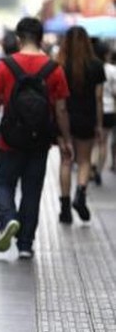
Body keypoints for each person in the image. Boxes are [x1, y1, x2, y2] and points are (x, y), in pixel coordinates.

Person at [0, 17, 71, 259]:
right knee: (32, 190)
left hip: (10, 138)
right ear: (41, 38)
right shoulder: (54, 69)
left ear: (18, 38)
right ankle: (25, 244)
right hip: (40, 140)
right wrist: (65, 139)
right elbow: (61, 109)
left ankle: (8, 219)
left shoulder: (5, 65)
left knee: (5, 183)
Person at [56, 26, 105, 224]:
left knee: (66, 161)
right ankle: (81, 194)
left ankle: (65, 209)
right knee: (84, 160)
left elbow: (58, 101)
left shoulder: (59, 65)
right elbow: (99, 97)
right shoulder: (96, 66)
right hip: (87, 118)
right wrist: (99, 125)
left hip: (65, 119)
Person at [93, 42, 116, 179]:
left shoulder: (92, 67)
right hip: (109, 109)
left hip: (93, 109)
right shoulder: (112, 70)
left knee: (94, 142)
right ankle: (98, 171)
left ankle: (92, 164)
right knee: (104, 141)